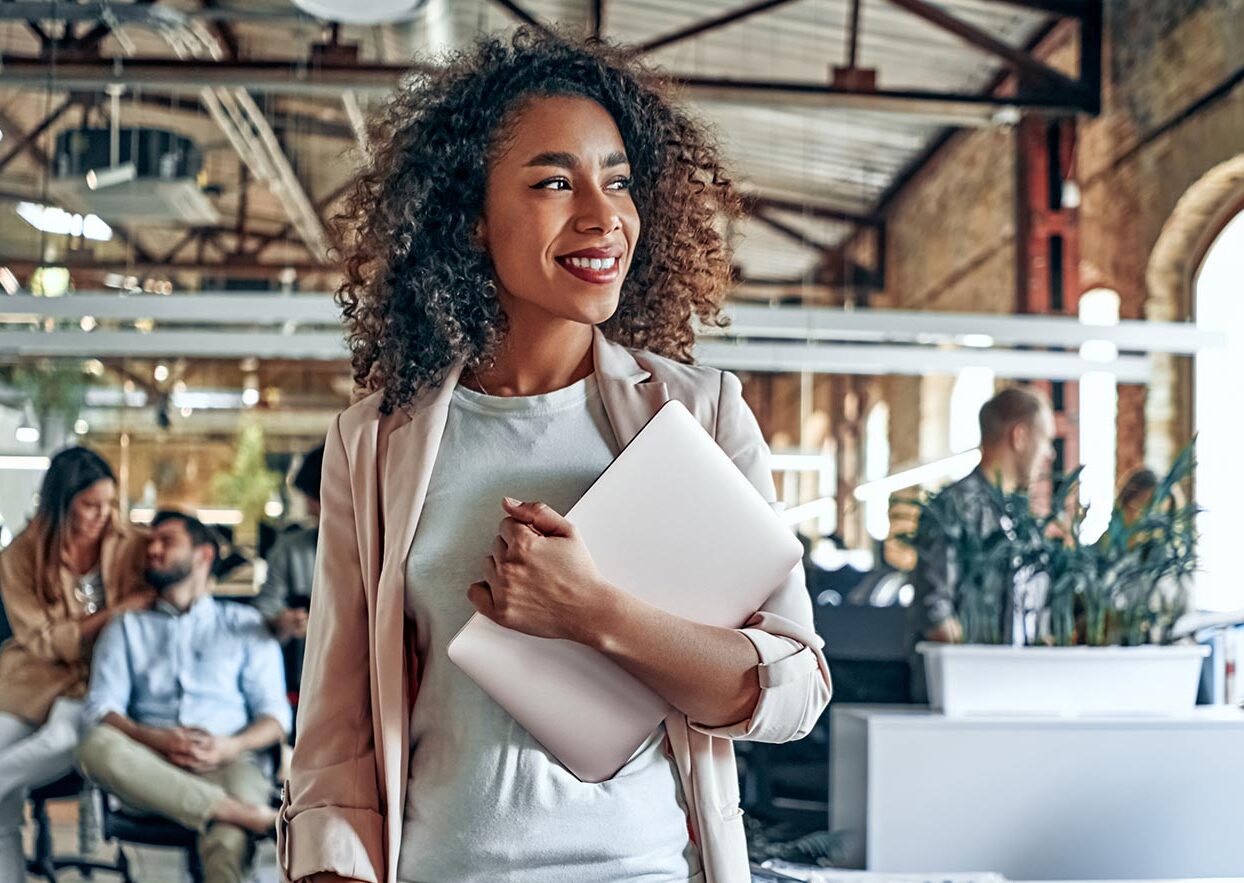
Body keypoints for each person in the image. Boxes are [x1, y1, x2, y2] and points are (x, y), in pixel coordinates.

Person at [280, 29, 832, 883]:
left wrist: (594, 613)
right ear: (471, 216)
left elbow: (793, 691)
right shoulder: (378, 440)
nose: (602, 213)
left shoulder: (697, 414)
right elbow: (335, 729)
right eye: (553, 182)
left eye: (617, 180)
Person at [77, 510, 291, 883]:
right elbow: (101, 707)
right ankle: (243, 814)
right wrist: (154, 738)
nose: (153, 550)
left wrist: (230, 745)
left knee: (227, 841)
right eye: (150, 542)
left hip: (232, 761)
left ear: (203, 555)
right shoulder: (126, 626)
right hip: (151, 767)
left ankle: (229, 814)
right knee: (94, 744)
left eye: (167, 541)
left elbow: (276, 717)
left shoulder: (245, 625)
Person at [0, 446, 154, 881]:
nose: (103, 515)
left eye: (109, 503)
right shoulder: (19, 557)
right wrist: (114, 613)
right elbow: (43, 641)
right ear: (60, 504)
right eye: (90, 506)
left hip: (104, 683)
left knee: (64, 739)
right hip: (34, 680)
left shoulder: (134, 544)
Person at [906, 386, 1055, 701]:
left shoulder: (1022, 522)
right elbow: (936, 614)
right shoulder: (954, 508)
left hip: (1019, 695)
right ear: (1020, 436)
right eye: (1046, 441)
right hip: (965, 699)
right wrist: (984, 673)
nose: (1050, 454)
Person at [254, 445, 324, 697]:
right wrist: (282, 622)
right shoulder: (290, 549)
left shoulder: (384, 548)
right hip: (307, 684)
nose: (308, 508)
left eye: (312, 498)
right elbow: (264, 610)